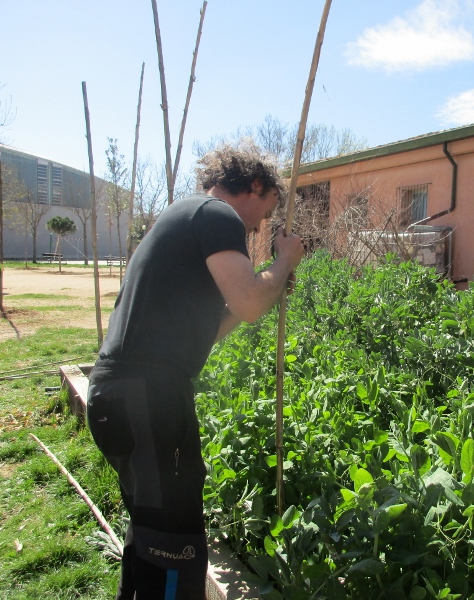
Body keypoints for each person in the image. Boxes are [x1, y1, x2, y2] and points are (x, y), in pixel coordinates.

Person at [86, 146, 304, 599]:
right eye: (264, 215)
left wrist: (270, 286)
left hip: (123, 395)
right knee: (174, 552)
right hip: (148, 399)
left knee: (153, 538)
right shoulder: (216, 214)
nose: (258, 228)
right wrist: (284, 261)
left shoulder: (185, 216)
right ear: (255, 186)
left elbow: (219, 323)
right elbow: (250, 301)